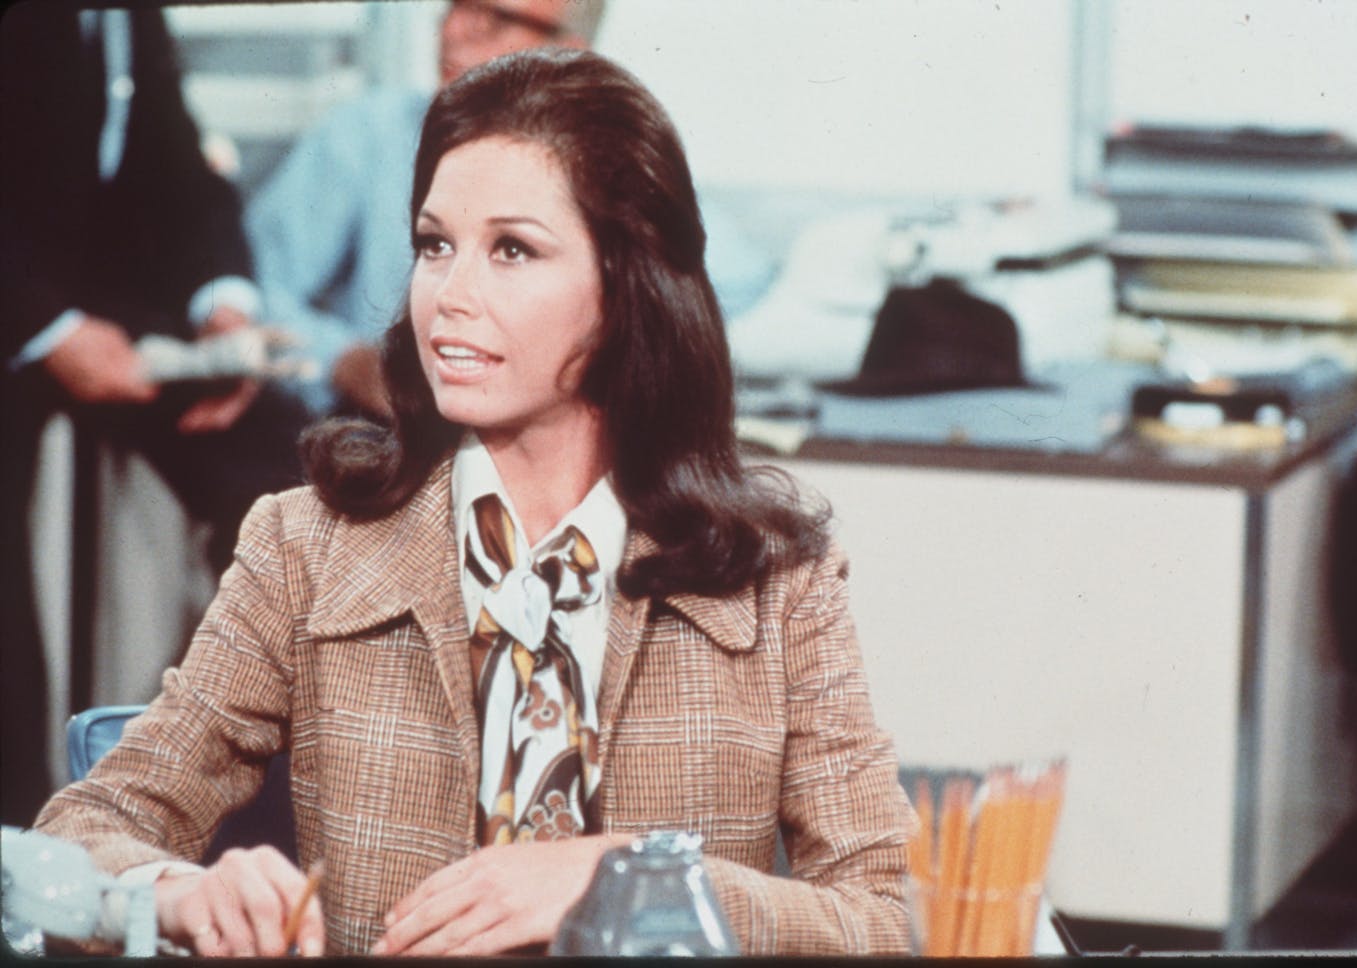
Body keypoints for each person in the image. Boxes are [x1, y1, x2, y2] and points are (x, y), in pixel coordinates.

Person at [33, 48, 913, 957]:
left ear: (627, 286)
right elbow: (81, 831)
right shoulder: (304, 546)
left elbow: (884, 920)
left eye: (513, 251)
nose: (448, 297)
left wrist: (635, 874)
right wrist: (183, 890)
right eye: (434, 245)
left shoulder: (779, 580)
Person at [0, 3, 307, 827]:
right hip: (27, 325)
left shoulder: (130, 17)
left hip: (106, 325)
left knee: (285, 468)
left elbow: (180, 174)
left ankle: (235, 772)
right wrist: (48, 330)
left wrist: (224, 308)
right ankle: (25, 834)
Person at [244, 0, 774, 419]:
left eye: (496, 17)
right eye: (456, 6)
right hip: (389, 431)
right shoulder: (366, 135)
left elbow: (729, 278)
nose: (454, 32)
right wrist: (342, 361)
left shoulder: (608, 164)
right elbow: (250, 287)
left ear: (568, 51)